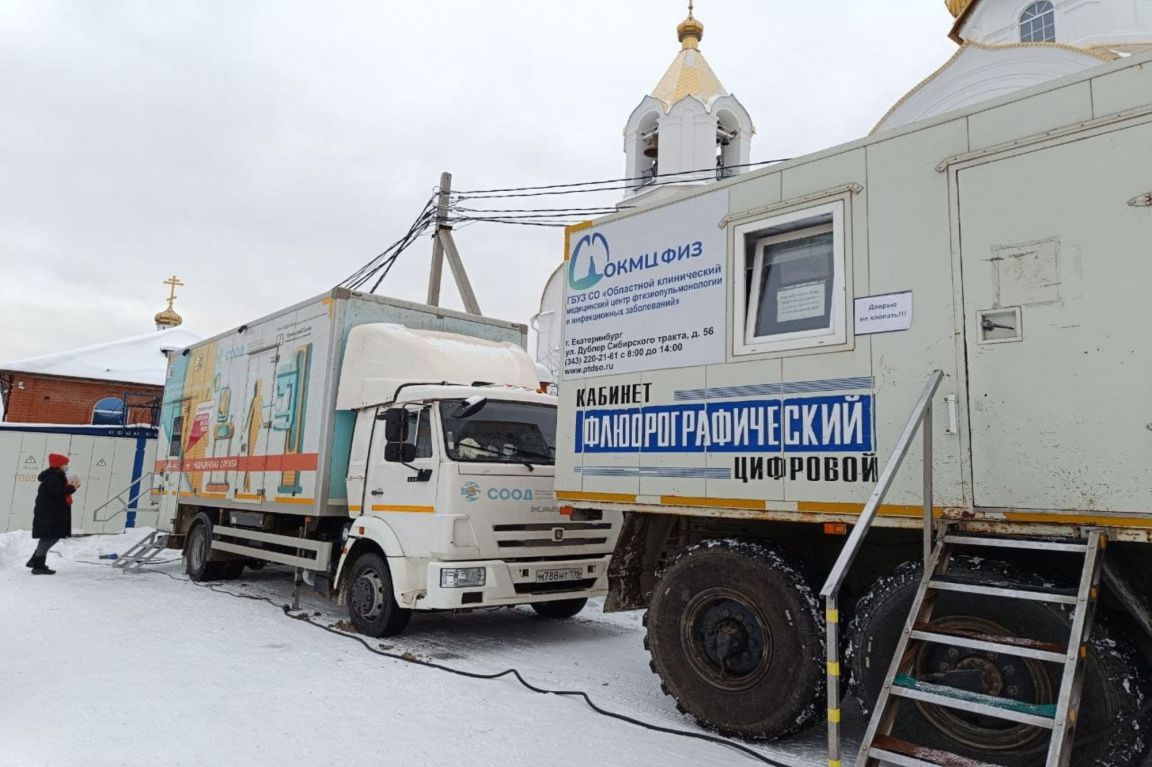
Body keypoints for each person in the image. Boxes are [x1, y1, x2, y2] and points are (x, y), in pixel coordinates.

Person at [26, 453, 78, 575]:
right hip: (49, 514)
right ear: (59, 465)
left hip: (50, 513)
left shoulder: (55, 476)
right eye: (65, 464)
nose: (66, 466)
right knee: (49, 537)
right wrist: (72, 487)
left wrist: (70, 487)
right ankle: (38, 566)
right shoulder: (53, 477)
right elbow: (59, 492)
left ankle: (35, 561)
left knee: (48, 537)